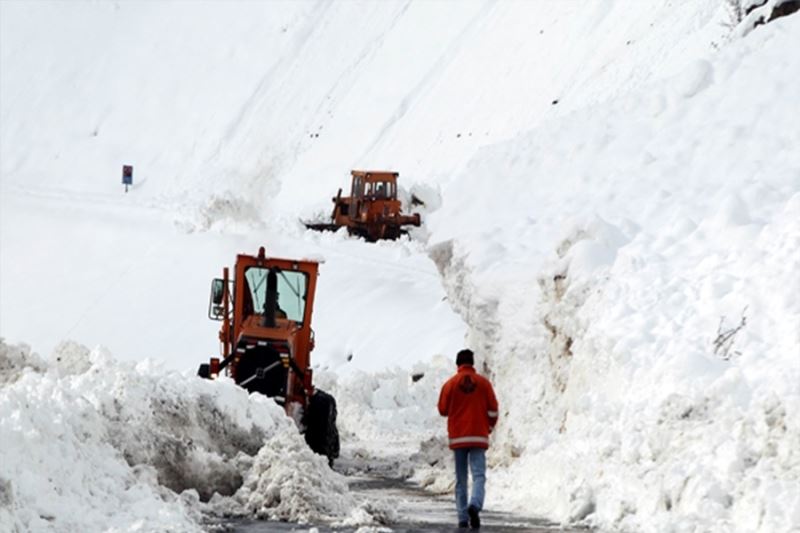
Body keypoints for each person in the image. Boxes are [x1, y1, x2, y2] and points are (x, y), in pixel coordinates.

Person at [438, 349, 499, 529]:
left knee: (461, 478)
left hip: (458, 438)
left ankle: (463, 517)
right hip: (479, 436)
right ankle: (475, 504)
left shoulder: (450, 384)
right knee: (479, 475)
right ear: (472, 363)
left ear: (458, 364)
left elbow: (442, 410)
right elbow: (493, 410)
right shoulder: (484, 384)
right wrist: (488, 426)